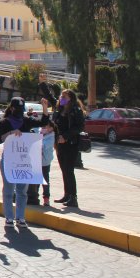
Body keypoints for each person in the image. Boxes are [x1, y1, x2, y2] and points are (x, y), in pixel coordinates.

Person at [0, 97, 49, 228]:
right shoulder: (4, 122)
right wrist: (11, 133)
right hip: (8, 160)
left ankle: (20, 217)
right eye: (17, 109)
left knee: (22, 191)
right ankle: (8, 217)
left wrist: (45, 107)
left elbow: (43, 122)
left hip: (24, 161)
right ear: (12, 108)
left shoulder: (26, 121)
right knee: (8, 190)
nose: (19, 112)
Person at [39, 75, 84, 208]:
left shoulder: (76, 110)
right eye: (61, 97)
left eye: (64, 97)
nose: (61, 99)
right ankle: (67, 194)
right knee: (63, 169)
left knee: (69, 170)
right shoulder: (59, 108)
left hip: (71, 144)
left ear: (71, 99)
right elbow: (49, 96)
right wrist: (43, 84)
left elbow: (80, 127)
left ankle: (73, 197)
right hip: (59, 144)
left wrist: (66, 136)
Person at [27, 121, 56, 206]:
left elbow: (43, 146)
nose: (43, 129)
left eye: (45, 127)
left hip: (45, 162)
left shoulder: (51, 137)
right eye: (42, 127)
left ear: (51, 129)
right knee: (36, 179)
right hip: (36, 161)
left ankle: (46, 198)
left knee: (45, 180)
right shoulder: (38, 132)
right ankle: (35, 196)